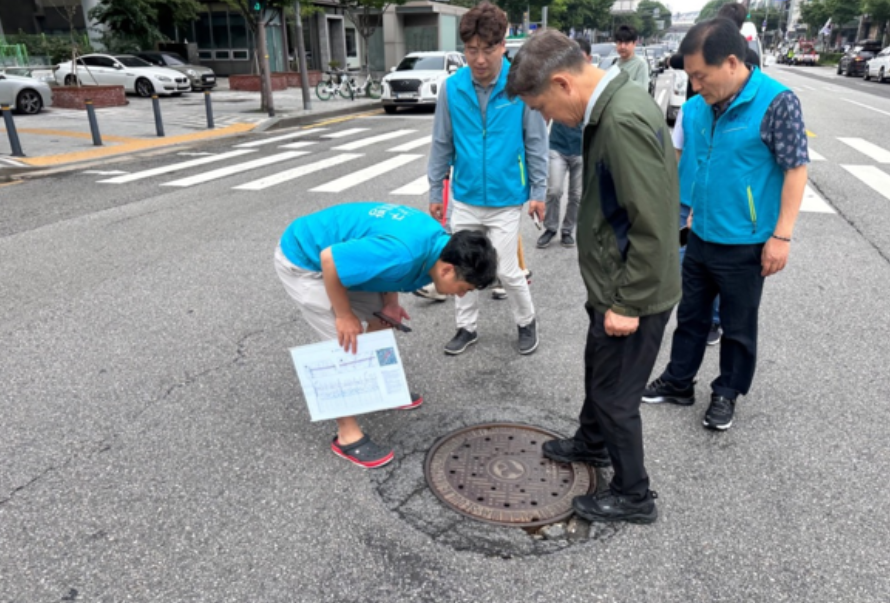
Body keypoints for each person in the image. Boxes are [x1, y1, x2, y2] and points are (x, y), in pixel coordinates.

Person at [507, 30, 681, 524]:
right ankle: (592, 443)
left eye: (541, 107)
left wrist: (627, 303)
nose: (545, 119)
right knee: (598, 372)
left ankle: (634, 495)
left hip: (632, 291)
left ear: (563, 84)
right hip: (613, 280)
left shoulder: (620, 119)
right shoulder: (615, 103)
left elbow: (650, 221)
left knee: (616, 396)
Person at [643, 18, 808, 431]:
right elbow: (697, 162)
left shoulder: (776, 102)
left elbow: (795, 170)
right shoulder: (698, 107)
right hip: (700, 233)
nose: (695, 86)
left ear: (732, 62)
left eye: (701, 75)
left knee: (736, 326)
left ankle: (726, 392)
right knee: (692, 316)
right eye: (690, 77)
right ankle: (679, 381)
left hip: (747, 241)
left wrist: (781, 236)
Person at [275, 202, 497, 468]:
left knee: (381, 318)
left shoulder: (436, 248)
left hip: (347, 254)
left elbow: (390, 272)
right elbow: (330, 260)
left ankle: (379, 389)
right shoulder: (402, 252)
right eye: (464, 288)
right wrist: (344, 316)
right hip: (306, 260)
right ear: (448, 270)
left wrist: (390, 303)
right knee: (343, 343)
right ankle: (346, 436)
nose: (460, 295)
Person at [427, 2, 549, 356]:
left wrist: (538, 191)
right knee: (458, 266)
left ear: (502, 47)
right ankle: (466, 328)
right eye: (471, 50)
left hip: (506, 198)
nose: (479, 59)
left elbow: (536, 142)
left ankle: (526, 321)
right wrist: (437, 190)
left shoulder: (518, 86)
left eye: (487, 50)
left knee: (509, 271)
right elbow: (441, 143)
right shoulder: (452, 88)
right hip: (464, 196)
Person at [536, 38, 591, 250]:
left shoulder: (591, 85)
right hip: (557, 146)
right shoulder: (558, 80)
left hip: (581, 149)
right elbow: (546, 112)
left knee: (576, 195)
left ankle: (568, 230)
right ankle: (550, 227)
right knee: (554, 190)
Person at [614, 24, 650, 91]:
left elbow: (642, 92)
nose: (622, 46)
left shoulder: (640, 64)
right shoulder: (615, 64)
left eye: (626, 43)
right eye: (619, 42)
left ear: (634, 44)